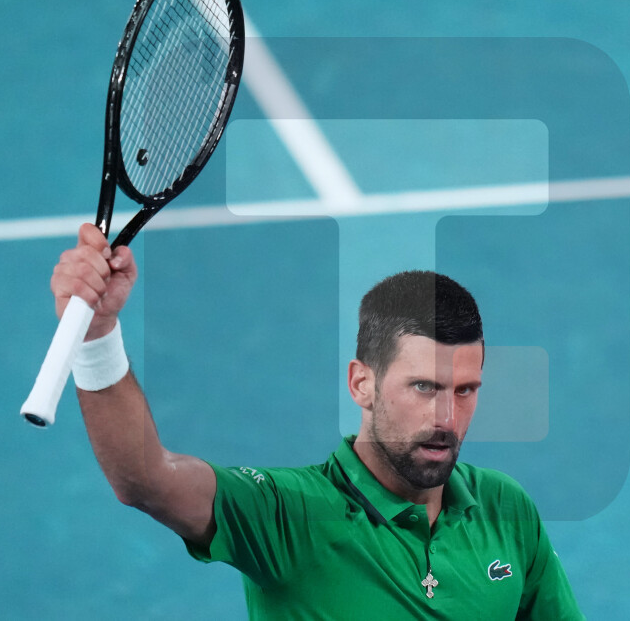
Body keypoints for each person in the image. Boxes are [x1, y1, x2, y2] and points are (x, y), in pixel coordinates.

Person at [52, 222, 584, 620]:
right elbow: (145, 479)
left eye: (465, 390)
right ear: (362, 383)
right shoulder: (288, 517)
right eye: (424, 387)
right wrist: (96, 337)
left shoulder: (505, 508)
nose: (447, 417)